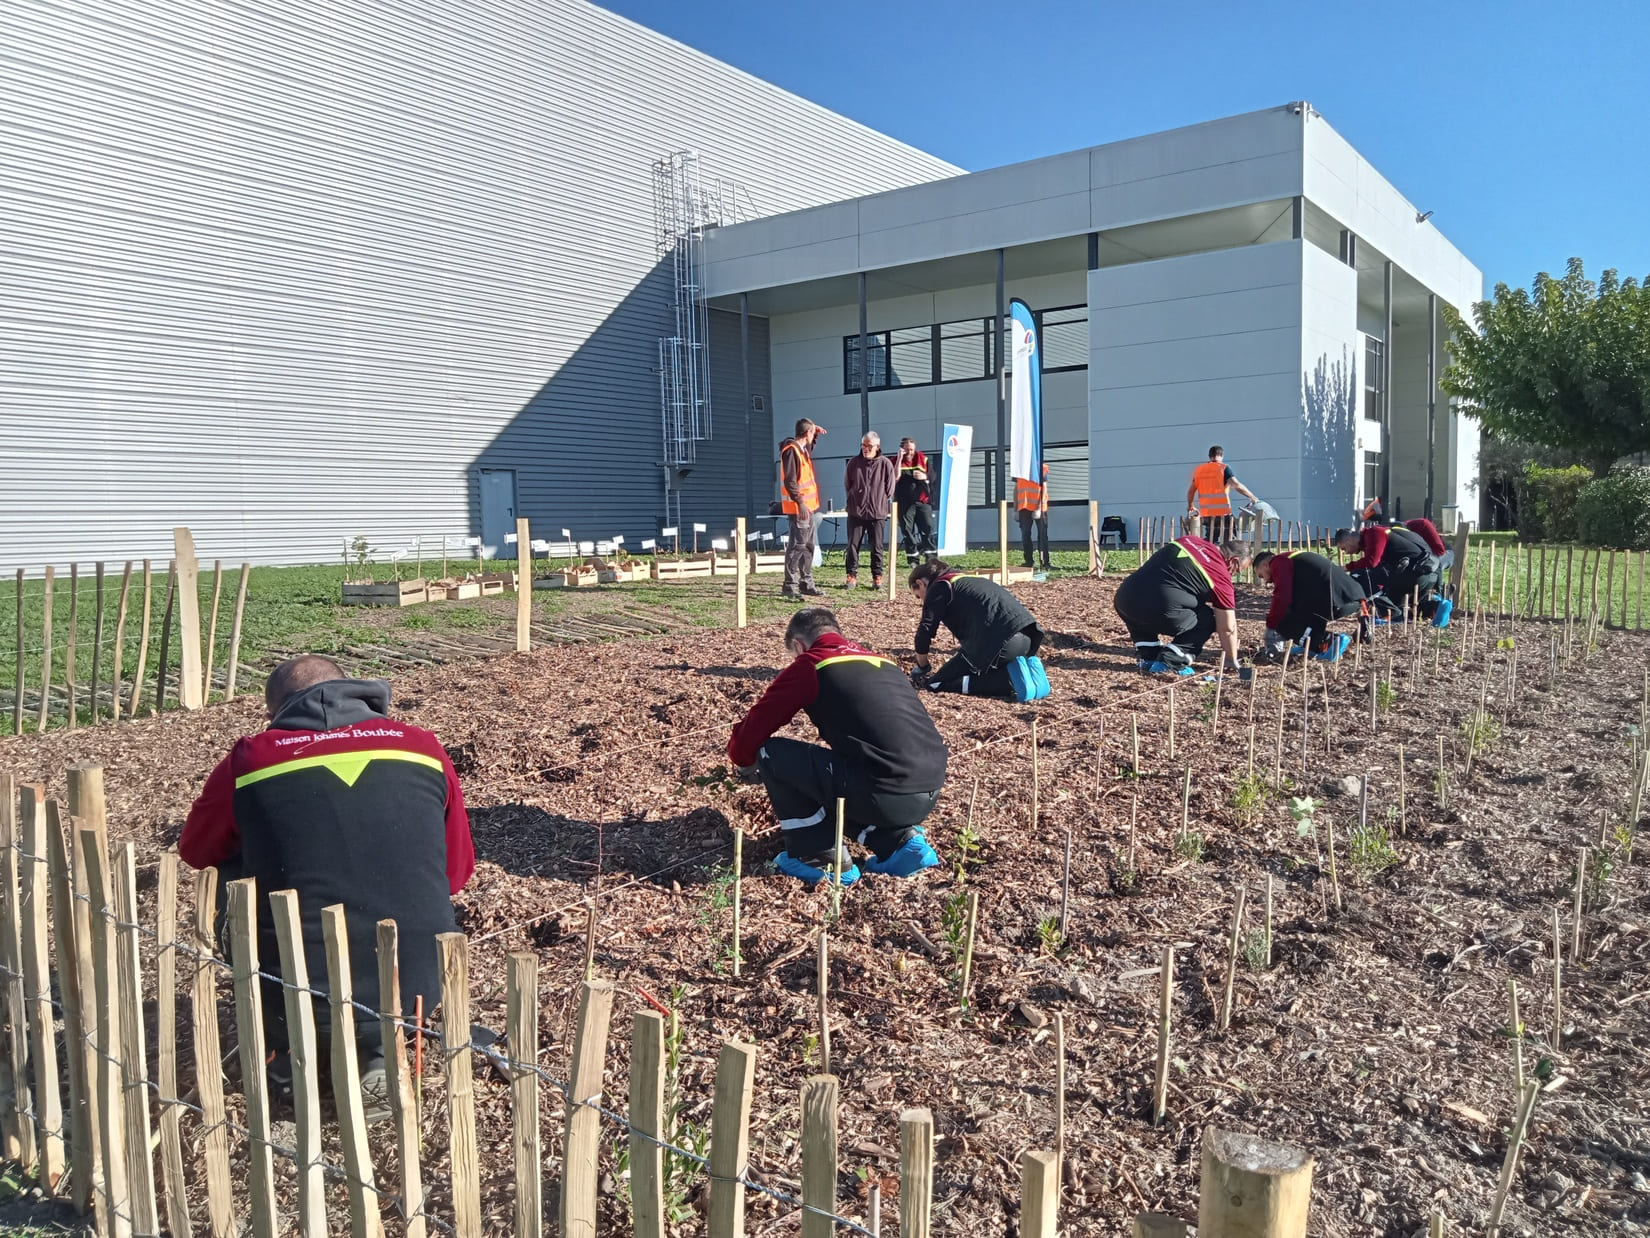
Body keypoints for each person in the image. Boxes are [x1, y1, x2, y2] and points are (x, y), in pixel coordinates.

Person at [181, 655, 476, 1115]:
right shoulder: (422, 746)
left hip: (296, 986)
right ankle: (380, 1051)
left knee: (229, 866)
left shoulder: (251, 757)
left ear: (275, 711)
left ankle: (285, 1047)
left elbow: (197, 851)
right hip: (420, 985)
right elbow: (457, 874)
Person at [728, 608, 947, 885]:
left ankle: (820, 857)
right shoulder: (881, 661)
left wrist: (743, 760)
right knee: (842, 773)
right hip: (928, 786)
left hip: (883, 790)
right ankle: (901, 845)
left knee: (772, 753)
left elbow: (753, 732)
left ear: (799, 645)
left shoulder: (812, 663)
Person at [908, 560, 1049, 700]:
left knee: (936, 684)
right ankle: (1029, 673)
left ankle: (1008, 682)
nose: (921, 600)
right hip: (1029, 636)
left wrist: (922, 665)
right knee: (976, 666)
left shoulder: (940, 586)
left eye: (918, 595)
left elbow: (925, 630)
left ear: (920, 583)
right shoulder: (968, 580)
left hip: (1000, 644)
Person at [1113, 534, 1247, 675]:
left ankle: (1148, 656)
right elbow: (1227, 627)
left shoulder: (1188, 540)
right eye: (1238, 570)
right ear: (1233, 561)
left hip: (1125, 599)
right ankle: (1171, 661)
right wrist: (1231, 659)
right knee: (1207, 619)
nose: (1233, 575)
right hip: (1158, 608)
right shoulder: (1221, 577)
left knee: (1148, 602)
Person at [1253, 551, 1369, 662]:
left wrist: (1272, 625)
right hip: (1350, 597)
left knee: (1283, 620)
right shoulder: (1295, 559)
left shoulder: (1278, 561)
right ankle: (1314, 646)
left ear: (1265, 564)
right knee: (1296, 610)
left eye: (1261, 575)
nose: (1266, 581)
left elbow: (1283, 596)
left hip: (1335, 600)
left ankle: (1327, 641)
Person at [1334, 524, 1449, 625]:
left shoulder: (1374, 533)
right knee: (1406, 607)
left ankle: (1394, 615)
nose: (1347, 552)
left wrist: (1346, 568)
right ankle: (1436, 607)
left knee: (1361, 576)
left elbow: (1371, 562)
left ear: (1348, 540)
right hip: (1428, 573)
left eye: (1344, 548)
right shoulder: (1385, 532)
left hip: (1415, 574)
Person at [779, 419, 827, 599]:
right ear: (807, 433)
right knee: (797, 546)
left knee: (807, 546)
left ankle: (806, 583)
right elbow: (790, 481)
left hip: (808, 507)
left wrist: (815, 436)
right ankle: (789, 586)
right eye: (812, 433)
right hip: (799, 508)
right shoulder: (791, 451)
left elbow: (809, 447)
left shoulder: (802, 450)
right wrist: (800, 502)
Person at [843, 430, 897, 589]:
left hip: (877, 513)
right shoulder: (853, 463)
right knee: (853, 545)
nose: (866, 449)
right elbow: (848, 484)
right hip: (856, 512)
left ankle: (877, 577)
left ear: (877, 447)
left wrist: (877, 499)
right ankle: (851, 576)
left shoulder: (885, 463)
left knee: (877, 547)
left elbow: (890, 489)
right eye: (863, 445)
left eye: (869, 446)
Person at [1185, 446, 1259, 543]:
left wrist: (1191, 505)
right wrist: (1252, 497)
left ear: (1209, 456)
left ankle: (1208, 556)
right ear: (1221, 455)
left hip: (1207, 513)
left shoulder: (1200, 470)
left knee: (1210, 540)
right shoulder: (1223, 468)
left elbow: (1191, 491)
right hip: (1223, 513)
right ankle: (1226, 558)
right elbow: (1236, 485)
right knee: (1229, 541)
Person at [894, 438, 937, 564]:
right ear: (902, 449)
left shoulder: (922, 459)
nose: (910, 453)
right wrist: (899, 459)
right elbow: (894, 478)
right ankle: (913, 559)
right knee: (908, 531)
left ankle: (931, 558)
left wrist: (925, 476)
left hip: (922, 501)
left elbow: (933, 476)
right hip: (904, 503)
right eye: (907, 450)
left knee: (928, 528)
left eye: (912, 450)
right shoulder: (895, 461)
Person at [1016, 462, 1051, 570]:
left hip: (1038, 506)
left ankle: (1045, 562)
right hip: (1024, 507)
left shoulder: (1040, 468)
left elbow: (1044, 487)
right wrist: (1015, 508)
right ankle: (1028, 561)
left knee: (1042, 535)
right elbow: (1016, 488)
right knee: (1025, 534)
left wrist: (1039, 506)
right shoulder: (1019, 468)